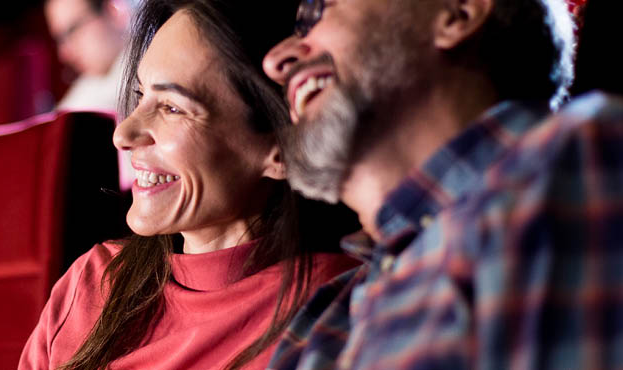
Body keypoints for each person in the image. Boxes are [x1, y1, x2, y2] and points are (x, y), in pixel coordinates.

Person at [262, 0, 623, 368]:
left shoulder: (581, 156)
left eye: (318, 12)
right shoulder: (320, 326)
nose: (275, 62)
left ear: (458, 14)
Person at [19, 0, 360, 369]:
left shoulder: (338, 311)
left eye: (172, 108)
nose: (123, 133)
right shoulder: (91, 282)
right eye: (140, 97)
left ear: (280, 148)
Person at [44, 0, 134, 111]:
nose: (64, 54)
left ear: (113, 12)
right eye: (60, 40)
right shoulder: (88, 85)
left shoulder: (149, 73)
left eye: (72, 30)